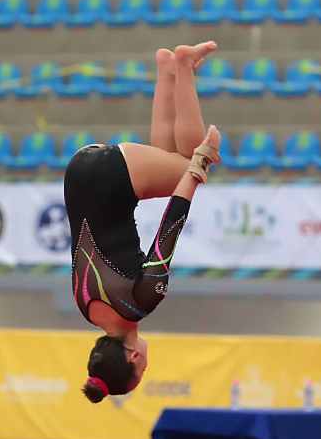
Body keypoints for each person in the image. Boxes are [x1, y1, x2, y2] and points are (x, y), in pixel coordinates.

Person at [65, 42, 221, 403]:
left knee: (185, 160)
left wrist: (198, 167)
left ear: (134, 357)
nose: (147, 364)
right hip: (79, 175)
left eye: (142, 370)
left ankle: (183, 66)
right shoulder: (88, 309)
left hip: (109, 179)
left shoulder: (140, 303)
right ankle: (167, 69)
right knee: (168, 160)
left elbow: (170, 227)